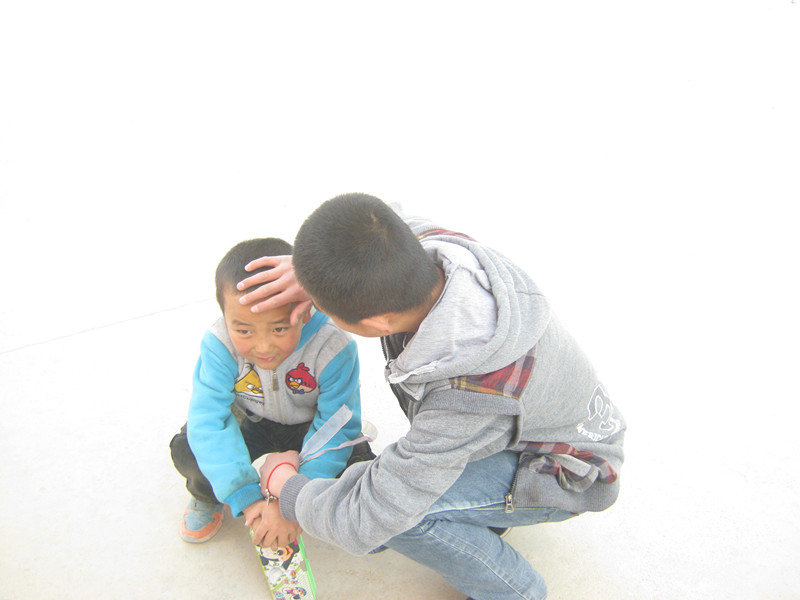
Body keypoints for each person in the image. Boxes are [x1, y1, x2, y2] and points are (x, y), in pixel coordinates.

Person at [237, 195, 626, 600]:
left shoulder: (468, 397)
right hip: (537, 423)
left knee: (403, 517)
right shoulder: (429, 247)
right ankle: (481, 515)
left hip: (569, 472)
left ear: (378, 322)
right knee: (409, 485)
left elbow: (367, 518)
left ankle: (516, 592)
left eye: (322, 307)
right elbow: (373, 221)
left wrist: (287, 485)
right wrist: (312, 272)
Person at [169, 237, 373, 548]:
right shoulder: (218, 344)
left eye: (279, 328)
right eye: (244, 330)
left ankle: (317, 499)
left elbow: (337, 425)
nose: (263, 347)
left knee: (360, 470)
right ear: (224, 316)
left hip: (310, 426)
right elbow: (208, 420)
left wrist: (296, 498)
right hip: (250, 419)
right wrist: (245, 496)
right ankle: (208, 496)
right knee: (191, 448)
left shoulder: (334, 347)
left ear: (304, 312)